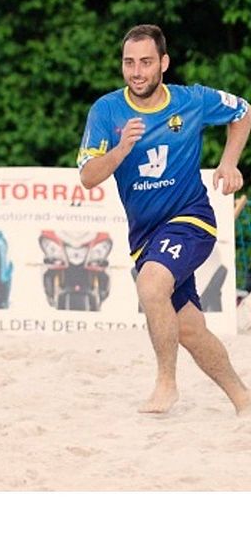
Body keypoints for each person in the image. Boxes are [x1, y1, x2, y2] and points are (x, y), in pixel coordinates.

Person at [78, 23, 251, 416]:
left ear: (164, 63)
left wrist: (228, 162)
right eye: (129, 63)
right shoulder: (106, 111)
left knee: (152, 283)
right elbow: (88, 176)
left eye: (145, 62)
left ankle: (166, 385)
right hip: (146, 237)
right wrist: (120, 151)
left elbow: (243, 111)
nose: (137, 71)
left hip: (192, 220)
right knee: (189, 331)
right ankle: (244, 400)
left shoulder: (191, 101)